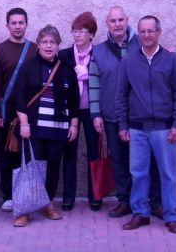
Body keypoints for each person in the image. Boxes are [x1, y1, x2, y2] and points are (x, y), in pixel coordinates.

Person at [116, 15, 176, 234]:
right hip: (137, 129)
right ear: (138, 34)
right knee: (138, 173)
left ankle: (171, 216)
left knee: (168, 174)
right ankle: (140, 214)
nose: (146, 35)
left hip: (165, 129)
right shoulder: (128, 61)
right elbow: (121, 96)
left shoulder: (173, 61)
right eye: (143, 31)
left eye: (151, 31)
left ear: (159, 32)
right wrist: (122, 125)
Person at [89, 5, 163, 218]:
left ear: (127, 20)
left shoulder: (143, 44)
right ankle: (125, 201)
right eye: (113, 21)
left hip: (141, 116)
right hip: (111, 116)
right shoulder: (99, 51)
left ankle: (154, 201)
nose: (118, 24)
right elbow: (94, 84)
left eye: (121, 20)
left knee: (149, 161)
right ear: (107, 24)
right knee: (120, 161)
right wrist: (96, 114)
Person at [13, 25, 80, 227]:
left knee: (52, 166)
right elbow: (19, 97)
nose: (49, 46)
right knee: (33, 168)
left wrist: (74, 125)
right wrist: (24, 123)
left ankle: (47, 203)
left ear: (58, 45)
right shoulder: (29, 66)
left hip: (58, 128)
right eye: (45, 42)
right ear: (39, 45)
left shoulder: (67, 69)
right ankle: (26, 210)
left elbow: (74, 100)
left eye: (53, 42)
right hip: (34, 127)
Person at [0, 8, 37, 212]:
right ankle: (8, 195)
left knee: (29, 154)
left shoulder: (35, 49)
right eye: (14, 23)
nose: (18, 26)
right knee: (6, 154)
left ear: (26, 24)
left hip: (30, 112)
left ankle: (28, 193)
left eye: (21, 22)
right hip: (6, 113)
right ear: (7, 25)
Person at [58, 12, 102, 211]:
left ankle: (95, 196)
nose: (77, 35)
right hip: (71, 111)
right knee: (69, 154)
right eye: (74, 31)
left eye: (82, 31)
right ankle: (68, 197)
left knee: (94, 152)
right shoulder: (64, 55)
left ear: (91, 34)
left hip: (93, 111)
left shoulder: (100, 54)